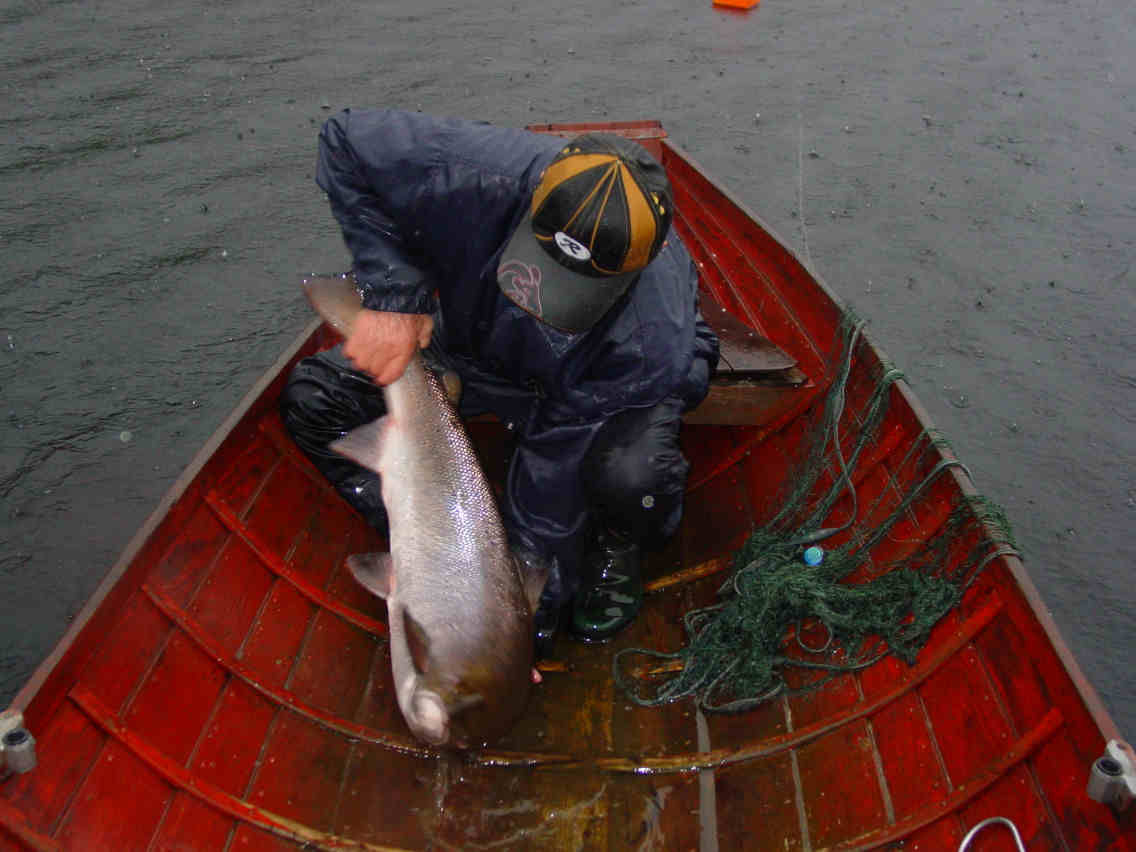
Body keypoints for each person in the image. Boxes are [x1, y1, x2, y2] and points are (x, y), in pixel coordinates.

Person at [280, 108, 719, 654]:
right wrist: (395, 300)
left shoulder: (651, 337)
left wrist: (523, 605)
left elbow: (551, 471)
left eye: (570, 287)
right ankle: (420, 537)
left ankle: (619, 545)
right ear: (533, 197)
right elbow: (342, 140)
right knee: (315, 398)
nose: (543, 298)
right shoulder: (472, 167)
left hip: (589, 377)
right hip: (476, 338)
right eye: (543, 265)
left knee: (632, 476)